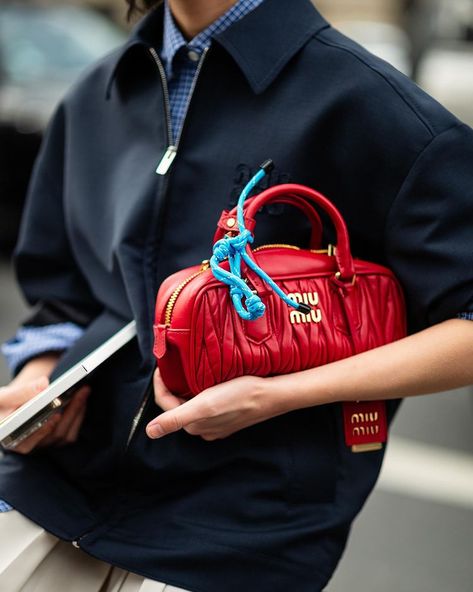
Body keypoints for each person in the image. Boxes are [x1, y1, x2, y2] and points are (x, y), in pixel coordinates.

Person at [1, 0, 473, 590]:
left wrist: (280, 395)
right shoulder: (100, 90)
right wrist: (41, 379)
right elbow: (63, 288)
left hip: (238, 535)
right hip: (51, 493)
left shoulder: (371, 106)